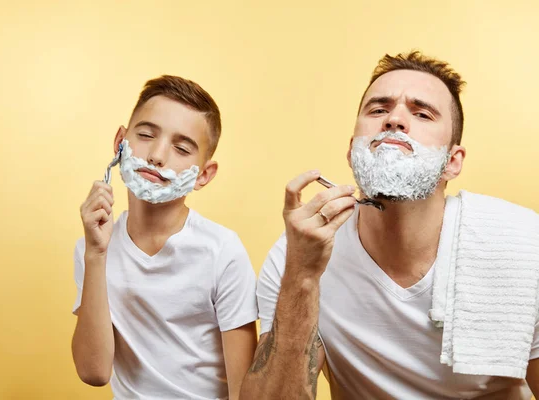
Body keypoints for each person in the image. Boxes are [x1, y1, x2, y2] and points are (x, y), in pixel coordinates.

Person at [240, 51, 539, 399]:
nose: (395, 120)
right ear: (353, 151)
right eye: (379, 109)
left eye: (422, 113)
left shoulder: (520, 245)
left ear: (452, 163)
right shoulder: (302, 252)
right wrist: (302, 276)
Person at [71, 75, 258, 400]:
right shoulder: (92, 247)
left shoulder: (222, 252)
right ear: (120, 143)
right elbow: (94, 372)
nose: (157, 155)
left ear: (204, 175)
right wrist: (95, 255)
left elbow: (245, 391)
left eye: (182, 148)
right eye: (145, 135)